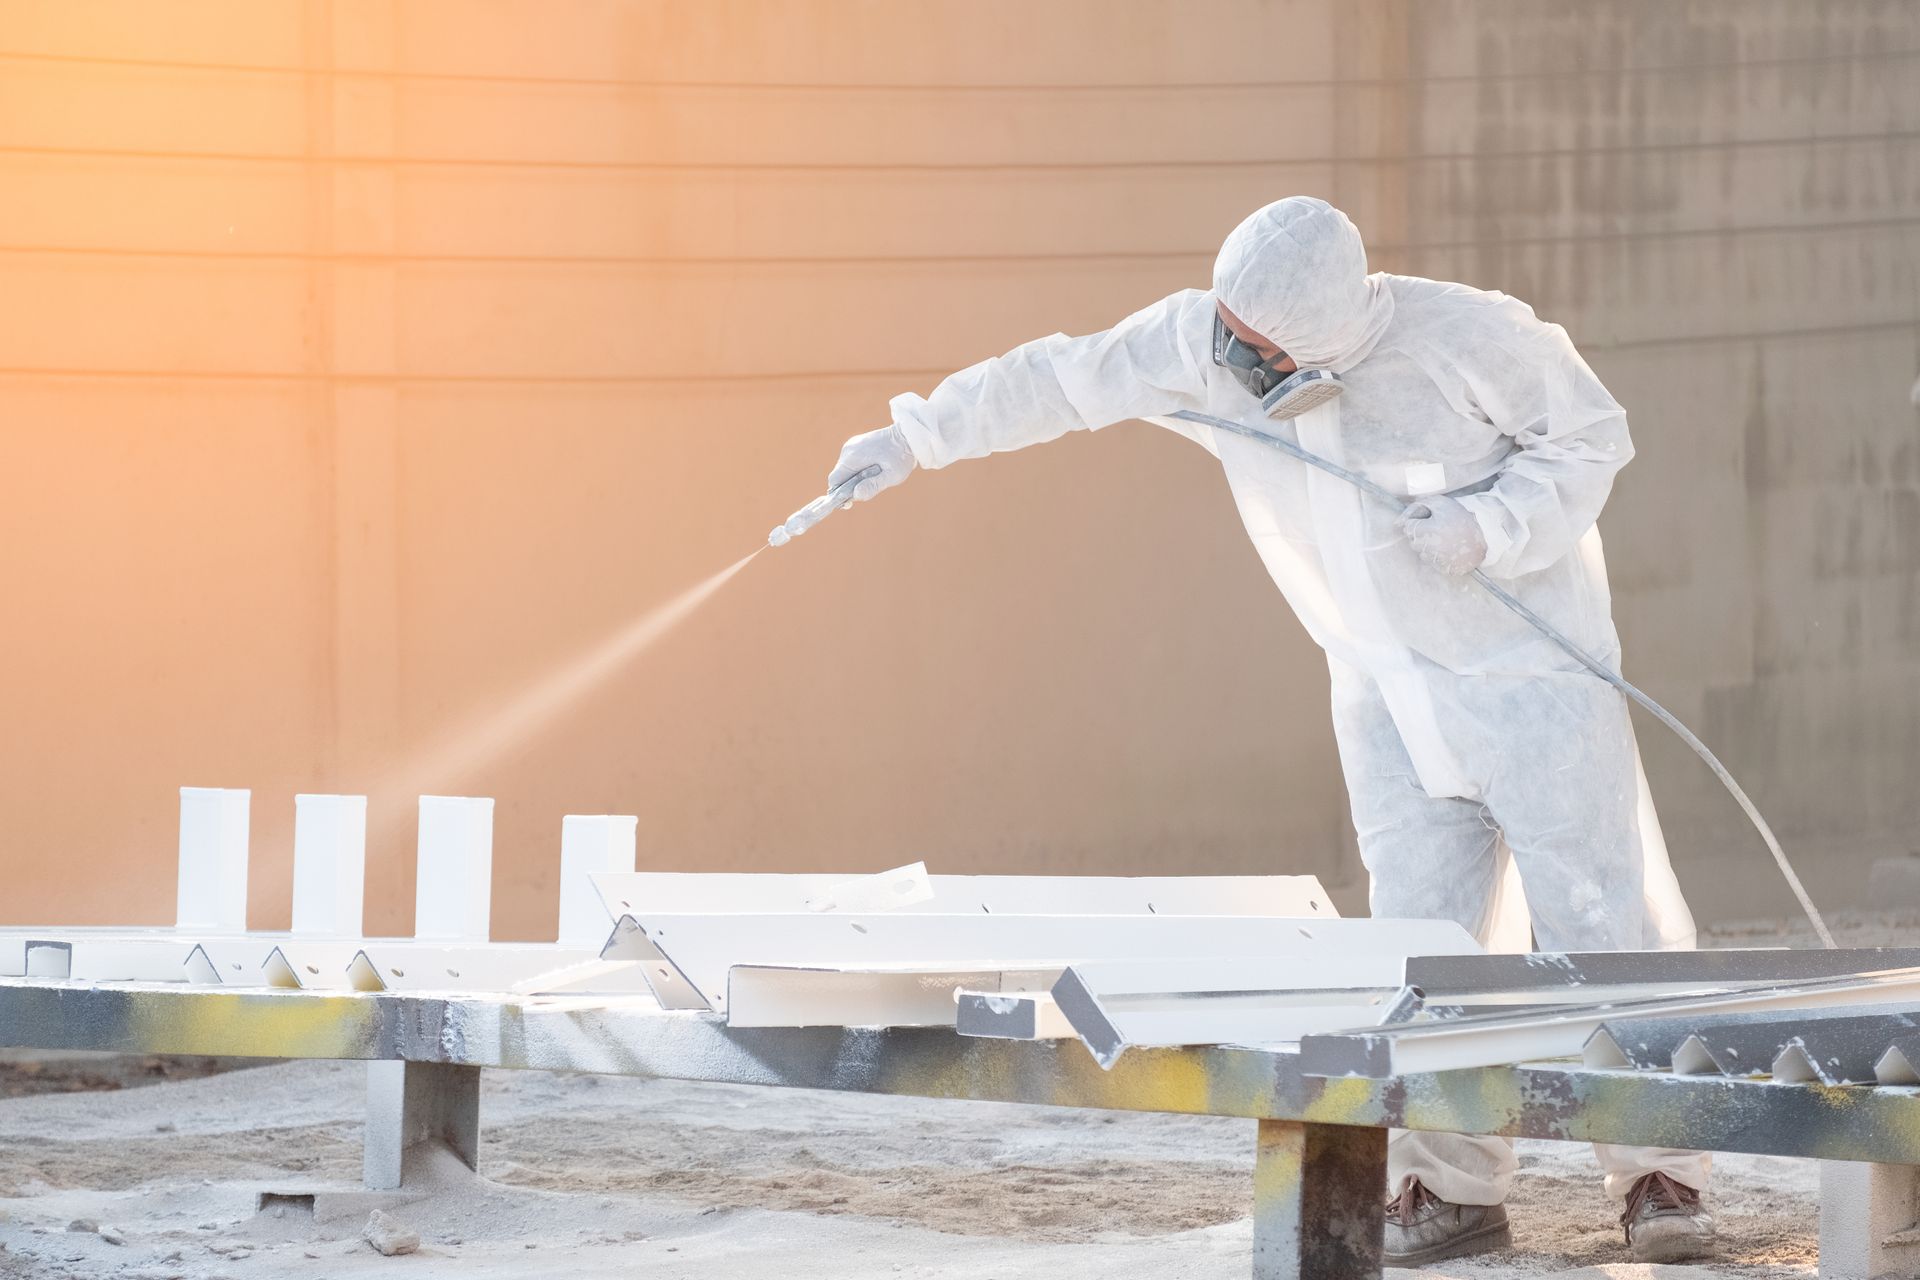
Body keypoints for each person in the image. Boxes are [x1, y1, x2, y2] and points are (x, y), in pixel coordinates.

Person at [821, 196, 1714, 1265]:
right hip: (1385, 692)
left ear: (1326, 336)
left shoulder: (1470, 338)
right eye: (1228, 331)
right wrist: (915, 435)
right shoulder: (1204, 340)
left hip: (1531, 684)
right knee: (1424, 950)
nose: (1229, 354)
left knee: (1601, 921)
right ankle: (1453, 1184)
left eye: (1257, 345)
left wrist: (1493, 522)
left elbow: (1591, 434)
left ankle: (1661, 1174)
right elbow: (1061, 377)